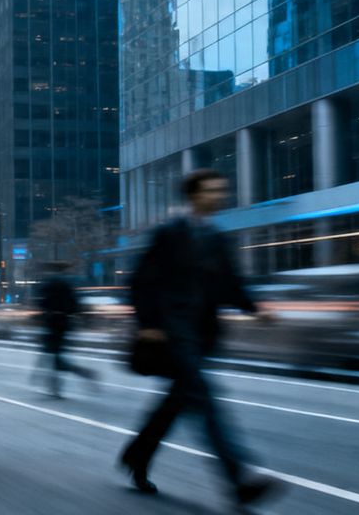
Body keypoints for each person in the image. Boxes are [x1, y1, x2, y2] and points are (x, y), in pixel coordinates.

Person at [119, 169, 279, 507]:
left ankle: (137, 456)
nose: (219, 195)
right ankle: (239, 480)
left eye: (221, 189)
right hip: (172, 334)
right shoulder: (169, 233)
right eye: (212, 190)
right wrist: (148, 322)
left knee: (176, 403)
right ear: (194, 195)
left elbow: (230, 283)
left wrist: (255, 309)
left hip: (202, 335)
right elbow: (140, 280)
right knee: (205, 402)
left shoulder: (216, 237)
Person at [32, 263, 97, 398]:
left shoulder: (49, 284)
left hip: (52, 324)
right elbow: (74, 305)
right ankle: (56, 385)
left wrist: (40, 316)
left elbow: (42, 303)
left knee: (52, 354)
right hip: (64, 324)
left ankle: (59, 384)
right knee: (54, 355)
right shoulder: (67, 284)